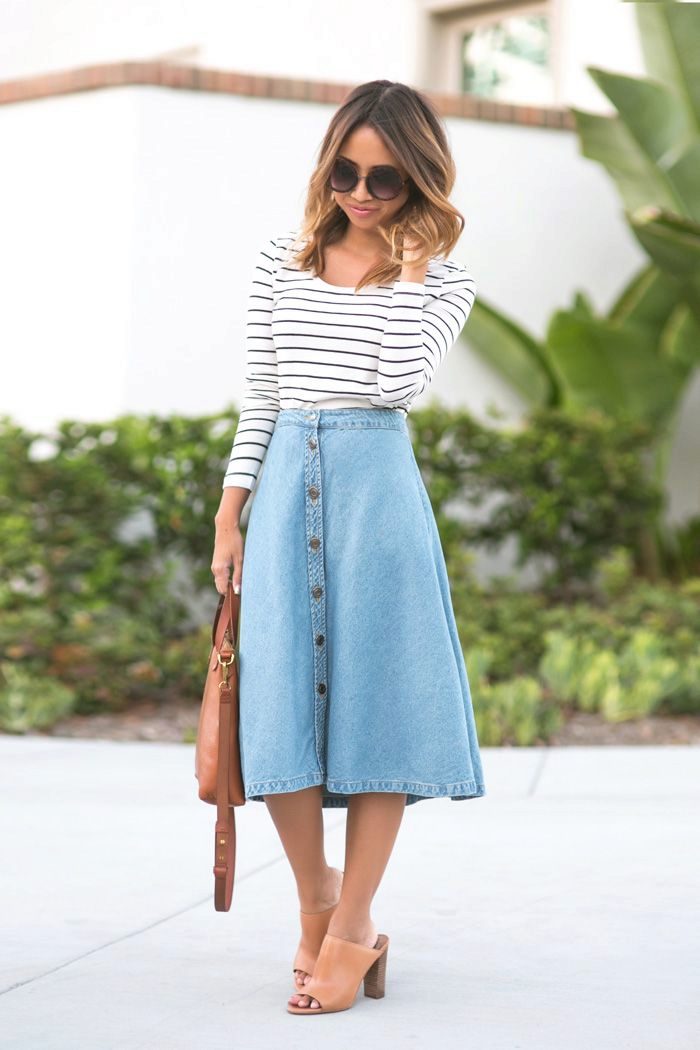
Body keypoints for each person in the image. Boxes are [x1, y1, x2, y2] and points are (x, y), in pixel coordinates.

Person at [211, 78, 486, 1016]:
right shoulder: (278, 261)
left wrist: (410, 269)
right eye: (345, 173)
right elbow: (263, 393)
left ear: (419, 182)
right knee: (278, 707)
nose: (360, 194)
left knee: (378, 712)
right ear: (326, 168)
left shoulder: (445, 282)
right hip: (287, 488)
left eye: (385, 179)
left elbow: (398, 384)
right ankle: (316, 901)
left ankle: (356, 924)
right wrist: (230, 513)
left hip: (379, 501)